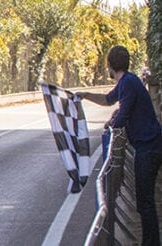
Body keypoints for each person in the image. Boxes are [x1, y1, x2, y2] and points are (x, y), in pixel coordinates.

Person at [76, 45, 162, 246]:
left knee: (145, 202)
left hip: (149, 147)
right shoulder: (127, 82)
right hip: (148, 146)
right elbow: (108, 100)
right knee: (144, 201)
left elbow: (123, 115)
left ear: (110, 65)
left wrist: (112, 123)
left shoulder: (128, 84)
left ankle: (152, 243)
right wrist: (85, 94)